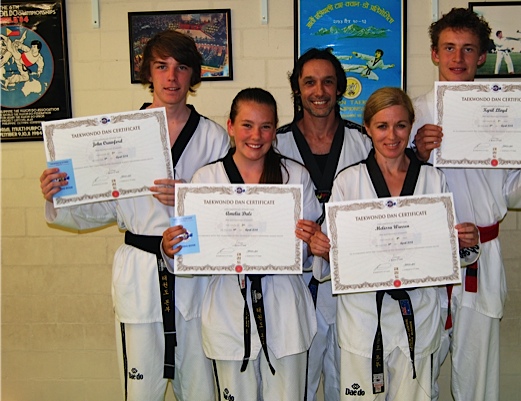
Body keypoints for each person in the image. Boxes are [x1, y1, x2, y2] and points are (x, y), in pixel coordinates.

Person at [39, 30, 230, 401]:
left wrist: (188, 198)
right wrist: (58, 195)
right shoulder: (121, 132)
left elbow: (225, 211)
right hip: (140, 270)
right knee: (141, 391)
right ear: (148, 72)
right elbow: (102, 206)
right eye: (162, 66)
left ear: (193, 76)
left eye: (181, 67)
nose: (171, 77)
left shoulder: (213, 137)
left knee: (203, 390)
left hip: (194, 272)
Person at [410, 8, 521, 401]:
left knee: (477, 373)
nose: (457, 58)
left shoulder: (512, 113)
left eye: (468, 49)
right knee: (415, 370)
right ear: (434, 53)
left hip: (482, 252)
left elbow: (519, 192)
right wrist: (416, 153)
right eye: (449, 48)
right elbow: (389, 189)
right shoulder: (413, 114)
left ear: (483, 56)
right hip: (423, 257)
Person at [308, 87, 480, 401]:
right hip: (362, 317)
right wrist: (321, 246)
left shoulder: (432, 179)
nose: (392, 135)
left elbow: (450, 251)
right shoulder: (349, 181)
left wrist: (464, 241)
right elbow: (332, 253)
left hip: (418, 311)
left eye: (400, 125)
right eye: (382, 126)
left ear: (411, 126)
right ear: (368, 129)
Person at [162, 88, 323, 401]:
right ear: (231, 126)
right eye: (247, 125)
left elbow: (306, 257)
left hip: (285, 308)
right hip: (227, 309)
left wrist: (312, 243)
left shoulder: (294, 177)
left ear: (275, 130)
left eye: (265, 126)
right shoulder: (206, 180)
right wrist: (172, 250)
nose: (256, 135)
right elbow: (189, 253)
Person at [276, 47, 373, 401]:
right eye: (310, 82)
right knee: (296, 384)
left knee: (346, 381)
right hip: (296, 284)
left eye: (328, 82)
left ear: (341, 89)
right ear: (298, 89)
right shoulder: (275, 143)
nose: (319, 91)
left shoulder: (364, 143)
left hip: (350, 283)